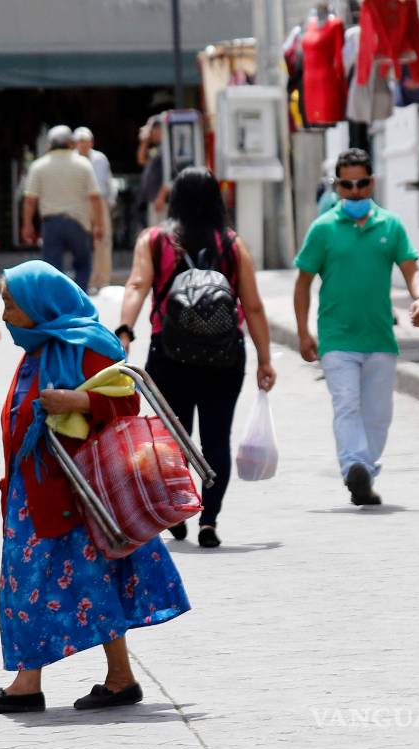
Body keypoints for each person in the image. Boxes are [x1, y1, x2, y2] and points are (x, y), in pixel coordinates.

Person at [0, 260, 190, 715]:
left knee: (37, 582)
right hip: (39, 491)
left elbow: (126, 400)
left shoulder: (87, 347)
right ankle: (114, 679)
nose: (6, 314)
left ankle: (31, 684)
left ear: (39, 305)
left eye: (10, 304)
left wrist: (78, 401)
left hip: (82, 491)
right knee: (78, 582)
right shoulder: (38, 349)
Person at [116, 167, 276, 548]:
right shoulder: (233, 245)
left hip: (168, 354)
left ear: (174, 199)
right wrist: (265, 359)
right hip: (224, 357)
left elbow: (138, 284)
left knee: (171, 437)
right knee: (216, 439)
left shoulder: (154, 240)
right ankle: (210, 519)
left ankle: (176, 509)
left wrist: (124, 330)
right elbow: (252, 307)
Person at [294, 148, 419, 506]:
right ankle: (354, 466)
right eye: (347, 185)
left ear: (373, 181)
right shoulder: (322, 229)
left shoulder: (391, 225)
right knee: (347, 406)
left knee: (379, 415)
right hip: (337, 338)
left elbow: (411, 268)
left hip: (380, 337)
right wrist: (303, 332)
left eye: (362, 183)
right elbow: (303, 282)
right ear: (337, 186)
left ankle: (364, 472)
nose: (355, 191)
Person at [21, 125, 104, 291]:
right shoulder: (83, 164)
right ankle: (79, 301)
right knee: (83, 264)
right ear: (71, 143)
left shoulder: (39, 166)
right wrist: (99, 224)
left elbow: (30, 200)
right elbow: (95, 197)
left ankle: (56, 304)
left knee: (52, 269)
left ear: (49, 145)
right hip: (79, 223)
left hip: (51, 224)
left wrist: (27, 224)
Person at [74, 127, 117, 293]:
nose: (84, 145)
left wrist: (111, 201)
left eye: (86, 141)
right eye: (80, 141)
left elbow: (108, 180)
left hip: (100, 201)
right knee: (82, 242)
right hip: (81, 203)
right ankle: (87, 280)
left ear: (91, 142)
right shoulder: (73, 160)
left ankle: (103, 280)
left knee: (103, 241)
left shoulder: (100, 158)